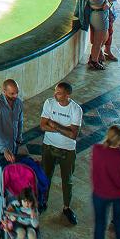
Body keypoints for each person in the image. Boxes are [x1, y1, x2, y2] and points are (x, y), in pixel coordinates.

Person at [39, 81, 81, 225]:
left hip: (67, 149)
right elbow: (43, 126)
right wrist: (64, 129)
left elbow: (73, 135)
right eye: (55, 91)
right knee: (45, 176)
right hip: (49, 146)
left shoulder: (76, 110)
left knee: (67, 180)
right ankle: (43, 201)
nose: (54, 94)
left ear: (67, 95)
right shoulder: (49, 103)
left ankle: (66, 207)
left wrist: (54, 125)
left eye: (58, 92)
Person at [0, 79, 24, 225]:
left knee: (9, 179)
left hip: (11, 145)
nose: (15, 96)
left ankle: (8, 209)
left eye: (16, 93)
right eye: (11, 93)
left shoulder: (19, 103)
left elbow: (20, 121)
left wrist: (19, 138)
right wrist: (4, 150)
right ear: (4, 91)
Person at [92, 125, 120, 239]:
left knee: (100, 224)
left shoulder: (97, 149)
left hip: (100, 194)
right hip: (118, 195)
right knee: (119, 223)